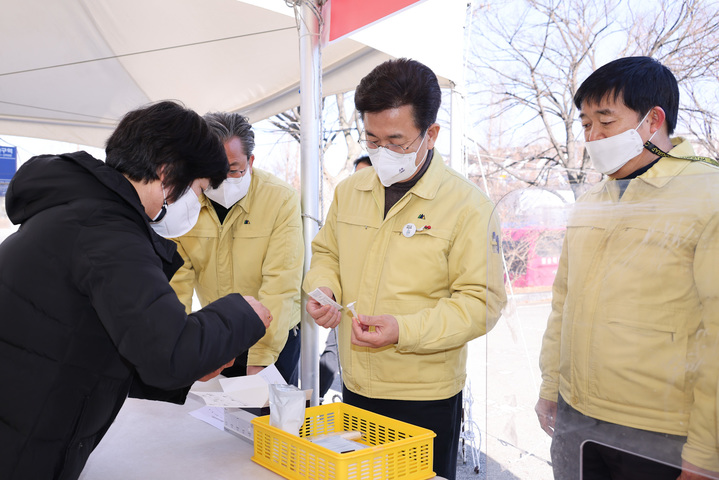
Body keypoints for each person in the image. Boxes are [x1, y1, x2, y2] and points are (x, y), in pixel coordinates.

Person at [0, 101, 273, 480]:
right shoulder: (109, 233)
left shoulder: (81, 212)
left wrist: (194, 369)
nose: (198, 204)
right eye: (197, 190)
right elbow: (168, 353)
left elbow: (95, 343)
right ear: (167, 173)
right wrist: (242, 314)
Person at [303, 58, 507, 480]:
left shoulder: (468, 206)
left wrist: (404, 330)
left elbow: (481, 303)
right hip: (355, 385)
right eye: (372, 139)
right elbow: (327, 254)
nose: (381, 153)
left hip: (424, 396)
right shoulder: (351, 190)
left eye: (396, 141)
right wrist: (325, 291)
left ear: (430, 134)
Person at [535, 56, 719, 480]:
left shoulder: (706, 197)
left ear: (653, 120)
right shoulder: (591, 202)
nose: (593, 137)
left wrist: (707, 454)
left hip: (660, 433)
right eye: (585, 125)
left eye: (606, 121)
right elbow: (563, 305)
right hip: (577, 417)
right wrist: (551, 389)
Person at [169, 112, 303, 384]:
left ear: (251, 161)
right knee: (221, 421)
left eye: (232, 170)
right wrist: (177, 350)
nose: (221, 180)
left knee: (270, 419)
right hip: (220, 333)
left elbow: (281, 281)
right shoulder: (183, 202)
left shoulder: (280, 198)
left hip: (274, 333)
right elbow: (176, 283)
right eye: (212, 170)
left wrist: (262, 357)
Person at [318, 154, 373, 400]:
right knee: (331, 353)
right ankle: (314, 398)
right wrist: (325, 287)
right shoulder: (346, 205)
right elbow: (326, 254)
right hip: (347, 310)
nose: (360, 181)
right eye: (356, 174)